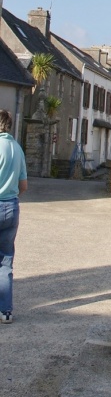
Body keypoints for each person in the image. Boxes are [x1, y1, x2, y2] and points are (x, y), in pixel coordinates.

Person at [0, 110, 27, 323]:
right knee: (6, 260)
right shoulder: (17, 148)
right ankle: (6, 311)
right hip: (11, 207)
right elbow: (23, 185)